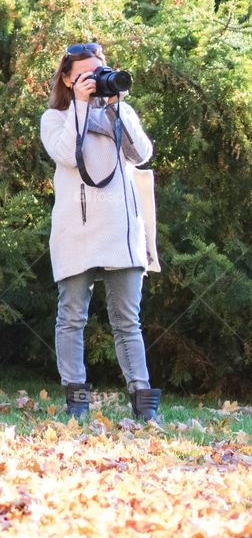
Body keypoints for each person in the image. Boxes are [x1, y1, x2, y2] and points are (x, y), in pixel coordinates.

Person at [39, 42, 161, 421]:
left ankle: (144, 407)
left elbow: (142, 155)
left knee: (128, 321)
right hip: (77, 232)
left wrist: (116, 107)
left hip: (122, 231)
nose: (96, 80)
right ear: (67, 78)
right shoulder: (55, 118)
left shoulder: (119, 110)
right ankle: (77, 404)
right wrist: (79, 104)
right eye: (86, 75)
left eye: (100, 72)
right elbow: (64, 154)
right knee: (72, 317)